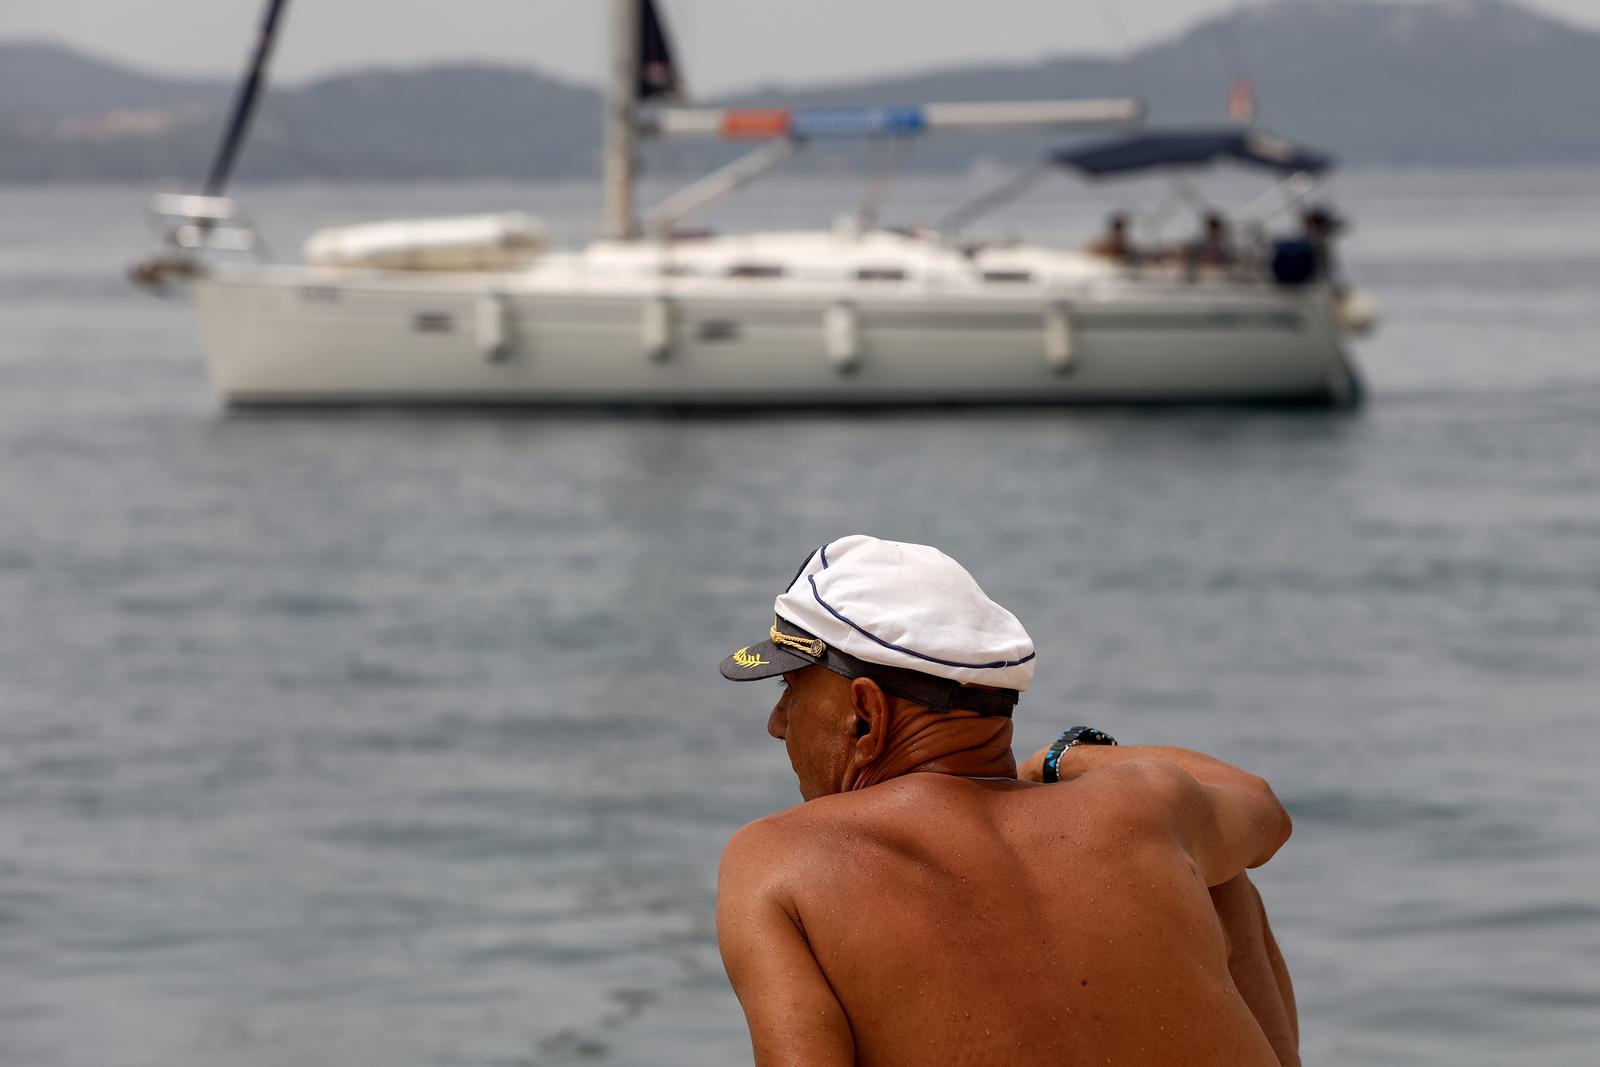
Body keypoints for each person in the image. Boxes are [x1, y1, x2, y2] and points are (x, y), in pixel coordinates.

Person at [716, 535, 1299, 1066]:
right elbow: (1262, 809)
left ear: (866, 715)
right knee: (1218, 873)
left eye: (790, 691)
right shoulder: (1147, 808)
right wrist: (1060, 760)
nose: (777, 723)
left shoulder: (783, 860)